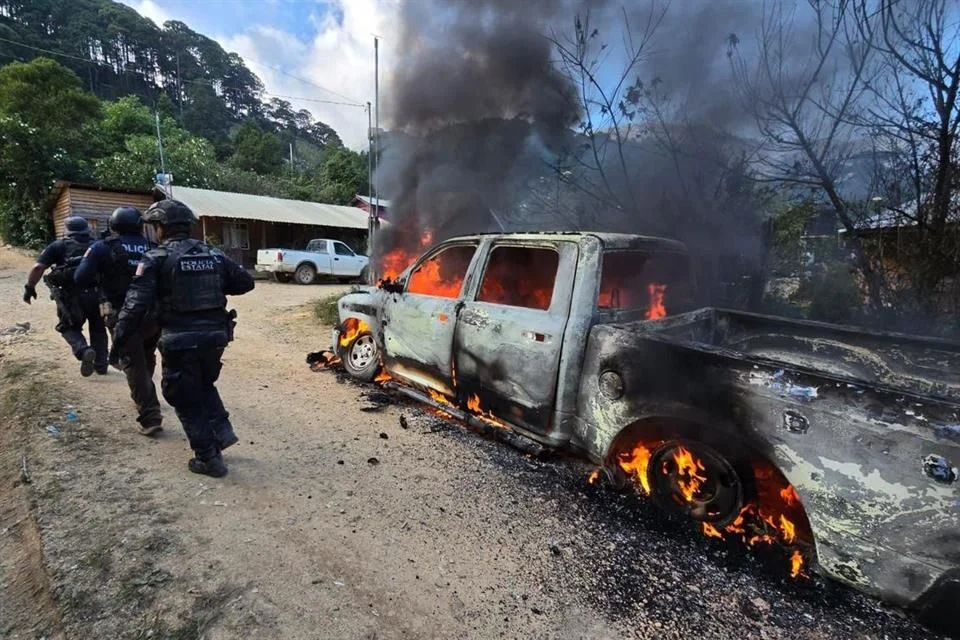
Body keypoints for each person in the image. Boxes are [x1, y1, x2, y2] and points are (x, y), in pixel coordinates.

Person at [111, 200, 255, 477]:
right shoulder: (213, 254)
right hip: (215, 337)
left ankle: (208, 458)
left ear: (161, 228)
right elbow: (244, 283)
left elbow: (134, 307)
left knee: (180, 393)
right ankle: (222, 432)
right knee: (202, 383)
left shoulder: (155, 258)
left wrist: (118, 342)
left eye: (155, 227)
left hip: (179, 338)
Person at [75, 207, 163, 437]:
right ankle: (146, 394)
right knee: (146, 355)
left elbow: (80, 278)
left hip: (121, 315)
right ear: (139, 225)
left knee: (132, 362)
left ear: (113, 225)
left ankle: (150, 416)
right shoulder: (154, 248)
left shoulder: (101, 247)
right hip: (153, 314)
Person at [23, 216, 108, 376]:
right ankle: (101, 364)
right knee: (98, 328)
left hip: (71, 296)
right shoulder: (97, 245)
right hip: (97, 295)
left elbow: (37, 267)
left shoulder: (59, 246)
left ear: (67, 230)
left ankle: (84, 351)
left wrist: (30, 288)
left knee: (68, 326)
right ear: (87, 230)